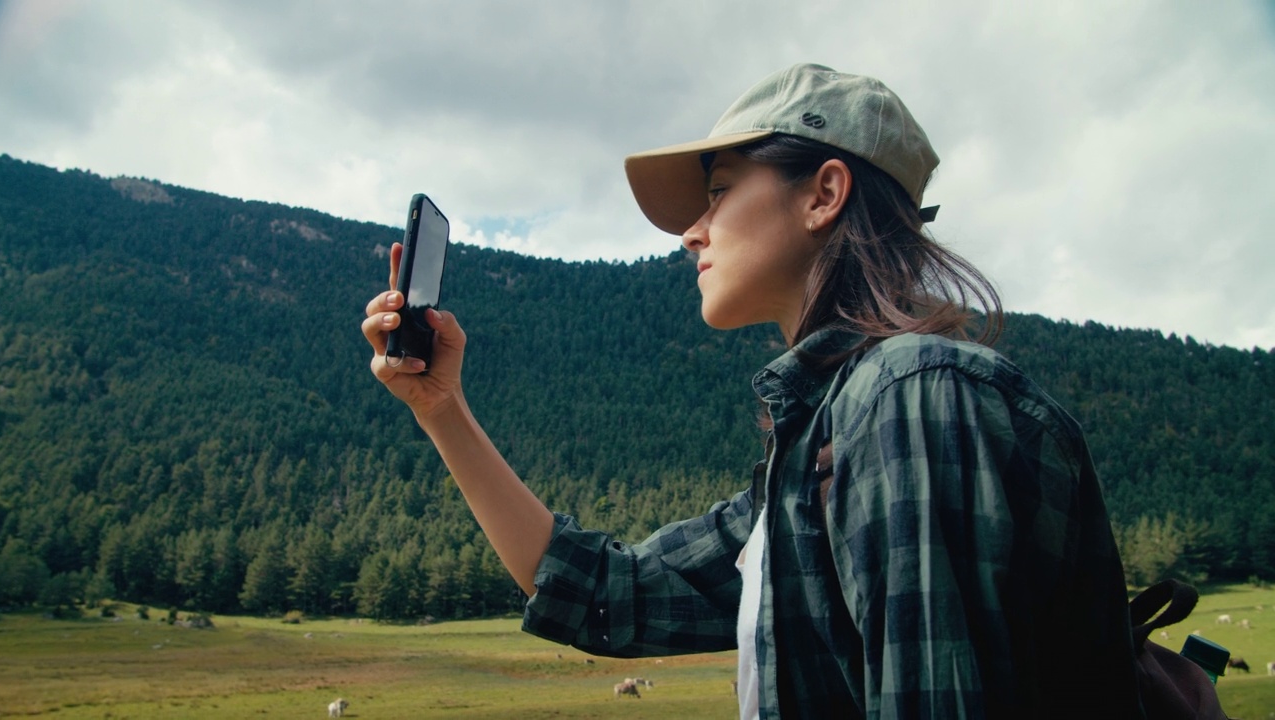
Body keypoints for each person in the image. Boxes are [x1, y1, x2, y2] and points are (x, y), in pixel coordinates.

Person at [362, 63, 1143, 719]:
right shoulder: (818, 450)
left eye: (721, 189)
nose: (691, 232)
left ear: (823, 194)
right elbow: (609, 593)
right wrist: (442, 410)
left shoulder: (911, 399)